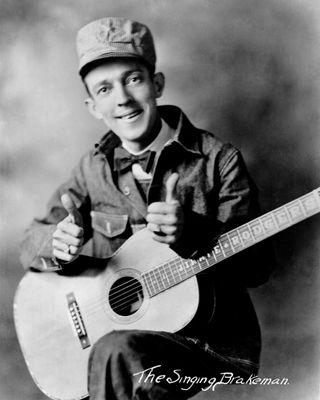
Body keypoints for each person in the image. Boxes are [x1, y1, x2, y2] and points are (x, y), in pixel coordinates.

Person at [20, 17, 274, 400]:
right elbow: (29, 244)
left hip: (207, 346)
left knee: (118, 353)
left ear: (156, 85)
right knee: (117, 356)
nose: (121, 98)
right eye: (104, 89)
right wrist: (56, 243)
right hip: (122, 351)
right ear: (92, 106)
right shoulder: (93, 169)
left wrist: (192, 233)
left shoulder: (217, 160)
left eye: (133, 79)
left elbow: (258, 266)